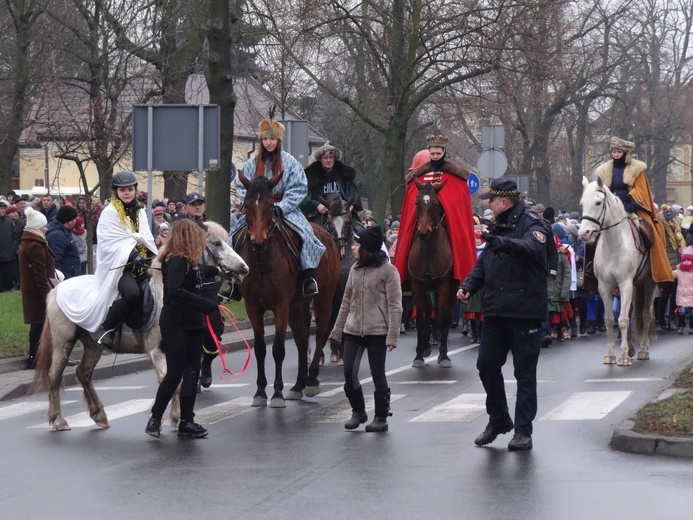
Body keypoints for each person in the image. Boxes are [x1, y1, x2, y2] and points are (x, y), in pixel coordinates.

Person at [457, 178, 551, 451]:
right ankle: (499, 419)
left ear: (504, 202)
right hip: (497, 311)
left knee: (524, 374)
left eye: (491, 200)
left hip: (524, 312)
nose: (488, 204)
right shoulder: (497, 227)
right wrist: (468, 286)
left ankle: (523, 431)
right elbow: (484, 263)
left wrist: (497, 240)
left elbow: (532, 249)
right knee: (486, 365)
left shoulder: (532, 223)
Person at [54, 170, 158, 349]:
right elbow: (109, 242)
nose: (127, 193)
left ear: (135, 190)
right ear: (116, 191)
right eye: (122, 189)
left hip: (140, 262)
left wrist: (150, 255)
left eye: (130, 189)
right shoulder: (110, 212)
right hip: (119, 265)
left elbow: (145, 236)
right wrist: (133, 255)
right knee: (132, 293)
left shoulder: (140, 212)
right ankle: (108, 329)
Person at [232, 108, 325, 297]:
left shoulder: (291, 163)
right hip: (257, 210)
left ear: (278, 141)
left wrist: (282, 207)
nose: (269, 143)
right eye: (266, 139)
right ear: (261, 140)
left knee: (306, 235)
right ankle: (234, 282)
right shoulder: (250, 164)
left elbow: (299, 187)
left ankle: (309, 277)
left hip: (286, 209)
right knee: (232, 237)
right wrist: (252, 204)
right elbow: (242, 188)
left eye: (272, 139)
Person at [145, 219, 221, 439]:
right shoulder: (177, 259)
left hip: (193, 322)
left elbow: (196, 273)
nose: (200, 239)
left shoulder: (190, 260)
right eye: (197, 235)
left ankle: (187, 421)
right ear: (188, 236)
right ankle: (155, 418)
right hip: (176, 323)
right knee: (175, 373)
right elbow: (176, 290)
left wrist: (214, 270)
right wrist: (206, 304)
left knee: (192, 372)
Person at [329, 225, 402, 432]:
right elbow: (345, 303)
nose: (352, 248)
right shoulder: (354, 269)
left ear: (367, 248)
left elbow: (396, 306)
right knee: (349, 371)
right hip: (353, 331)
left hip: (377, 331)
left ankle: (381, 417)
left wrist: (392, 335)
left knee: (377, 373)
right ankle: (358, 411)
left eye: (356, 244)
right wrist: (337, 331)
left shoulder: (388, 271)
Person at [586, 136, 673, 288]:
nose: (615, 154)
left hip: (630, 209)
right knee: (592, 235)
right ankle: (590, 268)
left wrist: (633, 203)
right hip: (610, 211)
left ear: (625, 152)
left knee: (650, 230)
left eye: (618, 151)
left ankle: (654, 266)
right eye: (613, 151)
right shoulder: (605, 170)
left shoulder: (636, 169)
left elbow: (641, 191)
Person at [393, 135, 477, 289]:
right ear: (429, 153)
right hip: (422, 219)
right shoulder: (417, 176)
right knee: (408, 235)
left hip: (443, 219)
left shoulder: (456, 177)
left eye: (438, 153)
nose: (436, 157)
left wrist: (446, 207)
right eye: (433, 154)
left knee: (457, 235)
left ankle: (459, 273)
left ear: (444, 152)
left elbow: (457, 204)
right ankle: (405, 273)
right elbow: (412, 203)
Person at [18, 208, 56, 369]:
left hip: (33, 291)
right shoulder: (36, 245)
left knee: (38, 323)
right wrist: (46, 294)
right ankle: (35, 357)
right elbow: (39, 272)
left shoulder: (30, 242)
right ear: (37, 227)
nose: (46, 229)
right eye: (44, 226)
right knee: (39, 323)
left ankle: (37, 356)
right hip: (38, 292)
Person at [300, 144, 363, 227]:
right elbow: (304, 196)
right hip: (319, 213)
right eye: (325, 158)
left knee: (360, 231)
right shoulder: (310, 176)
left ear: (335, 159)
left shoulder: (345, 174)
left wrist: (351, 205)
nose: (328, 160)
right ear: (320, 160)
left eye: (331, 157)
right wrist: (317, 205)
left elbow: (354, 193)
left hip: (342, 211)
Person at [46, 205, 82, 279]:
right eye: (74, 219)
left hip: (68, 274)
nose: (76, 221)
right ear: (70, 222)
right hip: (66, 277)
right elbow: (55, 259)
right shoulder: (58, 236)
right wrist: (59, 280)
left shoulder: (63, 232)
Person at [0, 200, 19, 292]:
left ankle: (8, 290)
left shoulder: (9, 222)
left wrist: (13, 247)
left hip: (9, 255)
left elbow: (15, 236)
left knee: (8, 277)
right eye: (1, 208)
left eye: (4, 208)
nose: (3, 210)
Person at [674, 247, 693, 334]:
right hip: (681, 296)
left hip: (691, 296)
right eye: (684, 260)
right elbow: (672, 274)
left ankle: (691, 327)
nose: (686, 262)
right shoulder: (679, 271)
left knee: (691, 314)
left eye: (688, 260)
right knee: (681, 313)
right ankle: (681, 326)